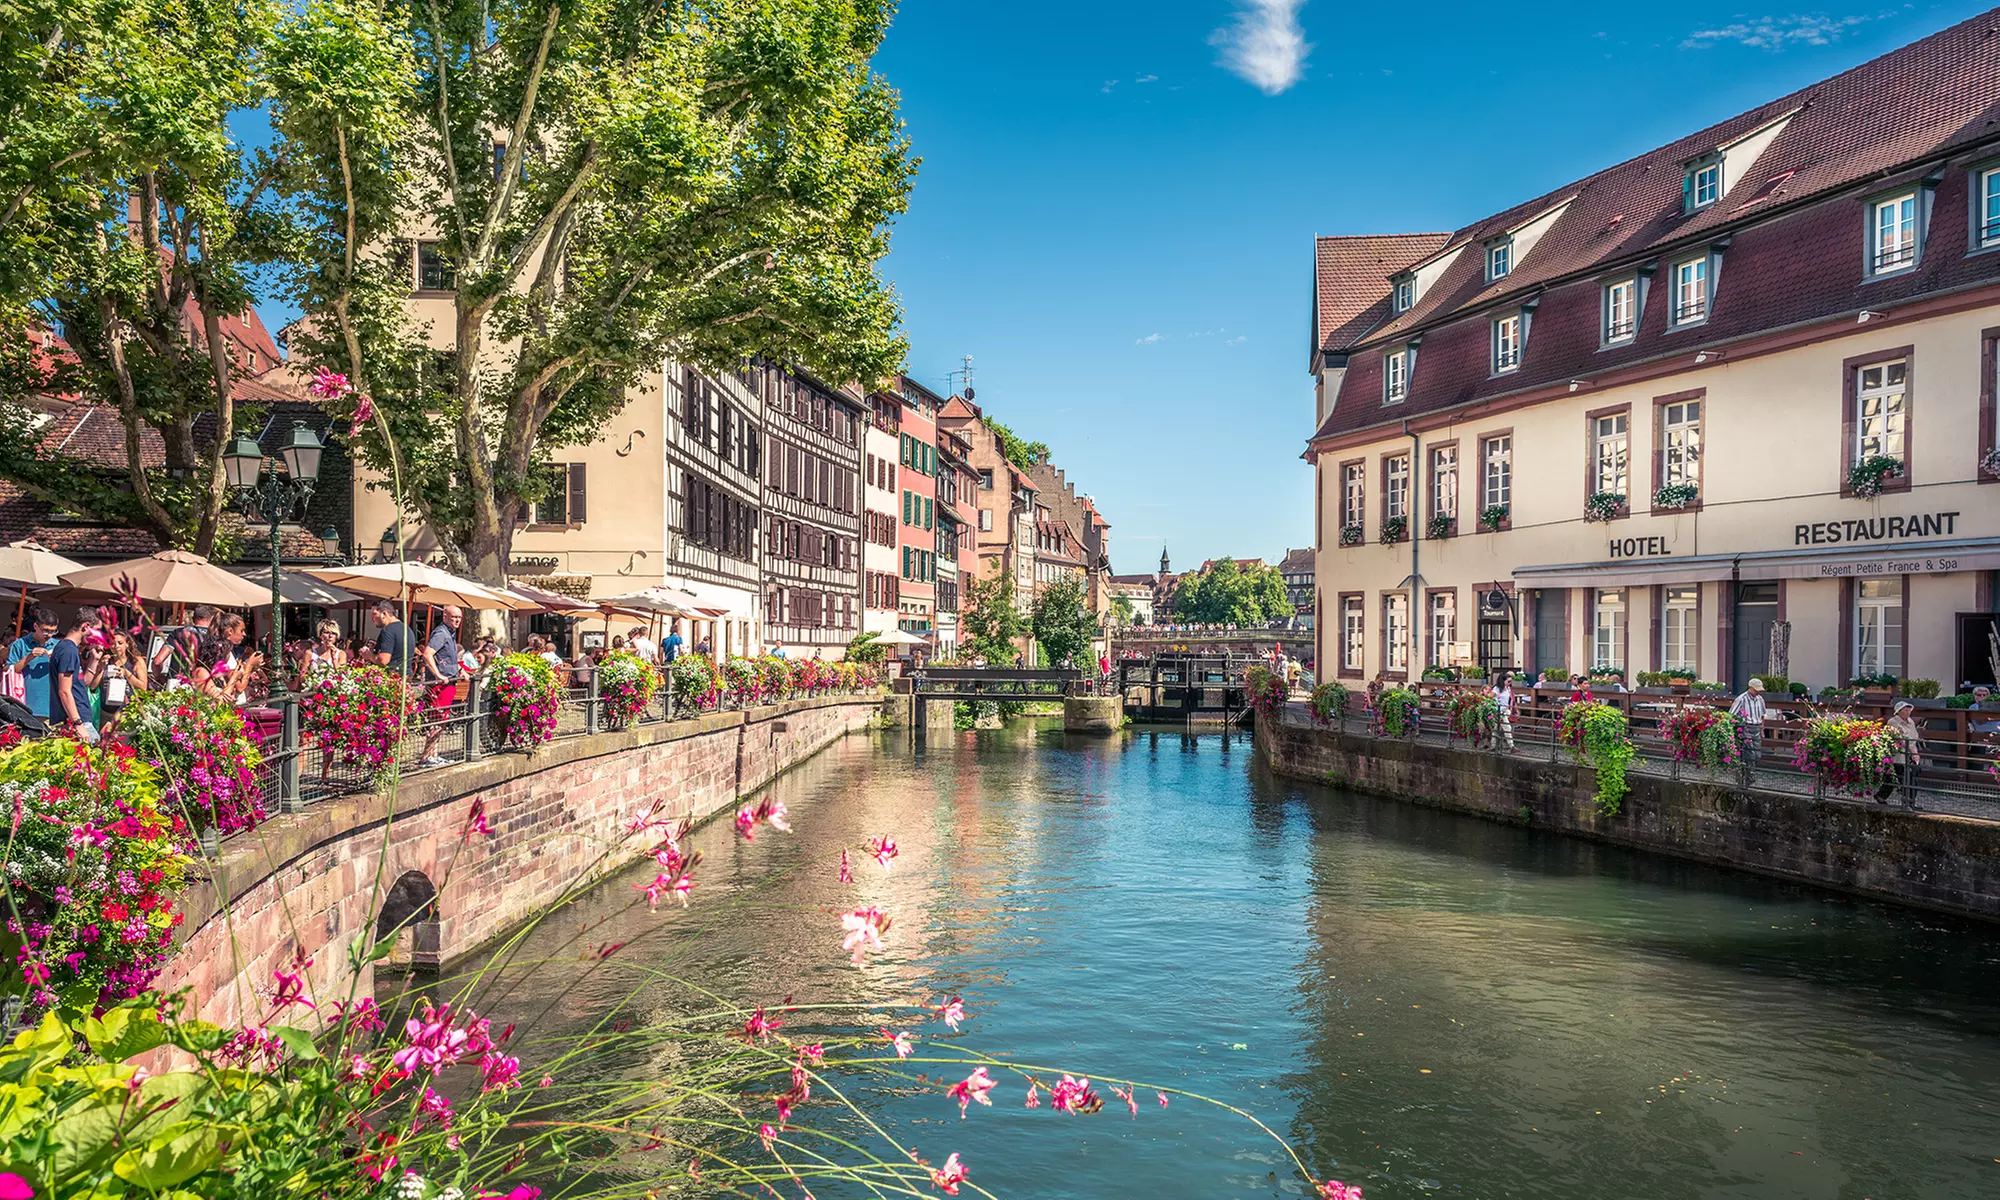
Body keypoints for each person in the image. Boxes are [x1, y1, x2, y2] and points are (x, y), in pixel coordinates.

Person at [418, 604, 463, 767]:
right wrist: (438, 675)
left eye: (459, 617)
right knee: (438, 719)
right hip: (441, 684)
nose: (457, 620)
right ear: (445, 617)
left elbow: (448, 658)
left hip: (449, 681)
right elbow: (427, 654)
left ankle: (433, 755)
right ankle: (426, 757)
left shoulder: (450, 634)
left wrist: (460, 670)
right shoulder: (441, 633)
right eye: (454, 617)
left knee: (442, 719)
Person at [50, 611, 101, 743]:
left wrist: (94, 660)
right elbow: (64, 691)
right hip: (77, 721)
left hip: (79, 718)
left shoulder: (69, 649)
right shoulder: (68, 650)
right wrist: (77, 723)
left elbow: (81, 684)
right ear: (86, 626)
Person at [6, 607, 60, 719]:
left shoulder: (58, 646)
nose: (49, 635)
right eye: (45, 630)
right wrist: (29, 657)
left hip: (53, 707)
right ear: (35, 626)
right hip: (25, 706)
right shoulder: (20, 644)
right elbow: (9, 670)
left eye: (53, 631)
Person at [96, 628, 148, 732]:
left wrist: (126, 673)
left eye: (120, 643)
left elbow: (143, 687)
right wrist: (100, 667)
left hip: (126, 712)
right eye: (112, 644)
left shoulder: (135, 661)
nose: (116, 647)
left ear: (127, 644)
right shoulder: (106, 660)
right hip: (105, 711)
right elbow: (94, 685)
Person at [1875, 699, 1923, 808]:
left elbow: (1913, 739)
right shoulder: (1893, 722)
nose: (1908, 712)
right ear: (1899, 711)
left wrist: (1915, 753)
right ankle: (1908, 803)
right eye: (1905, 710)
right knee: (1906, 779)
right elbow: (1901, 738)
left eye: (1909, 710)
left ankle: (1881, 796)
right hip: (1898, 756)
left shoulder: (1911, 722)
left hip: (1910, 755)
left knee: (1895, 779)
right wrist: (1912, 752)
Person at [1729, 678, 1773, 766]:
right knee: (1749, 754)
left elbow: (1763, 715)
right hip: (1746, 727)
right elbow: (1731, 715)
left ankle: (1749, 772)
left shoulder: (1760, 699)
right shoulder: (1741, 699)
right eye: (1756, 690)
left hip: (1757, 727)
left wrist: (1762, 730)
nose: (1758, 692)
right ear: (1750, 688)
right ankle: (1748, 776)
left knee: (1757, 754)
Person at [371, 600, 414, 675]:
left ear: (384, 613)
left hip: (392, 678)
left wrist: (369, 655)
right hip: (406, 676)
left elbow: (383, 661)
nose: (372, 618)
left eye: (374, 614)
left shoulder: (387, 630)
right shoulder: (407, 628)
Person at [1492, 669, 1517, 749]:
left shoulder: (1508, 688)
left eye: (1510, 682)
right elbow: (1490, 697)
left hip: (1505, 710)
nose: (1510, 683)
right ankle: (1511, 746)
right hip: (1499, 711)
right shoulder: (1497, 689)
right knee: (1507, 727)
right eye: (1508, 681)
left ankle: (1494, 745)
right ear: (1503, 681)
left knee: (1497, 728)